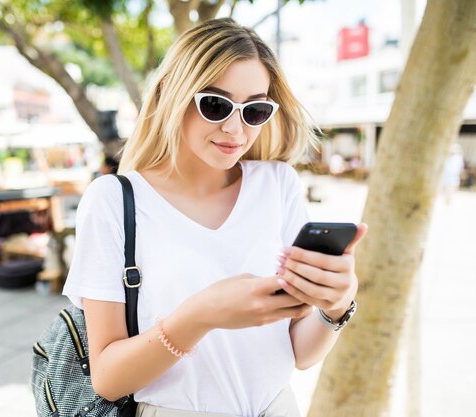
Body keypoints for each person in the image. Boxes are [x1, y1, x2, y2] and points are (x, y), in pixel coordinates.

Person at [63, 18, 367, 417]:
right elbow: (107, 378)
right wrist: (200, 315)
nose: (234, 129)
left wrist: (337, 305)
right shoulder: (113, 201)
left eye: (255, 110)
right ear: (172, 93)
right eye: (215, 104)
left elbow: (299, 354)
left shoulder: (278, 185)